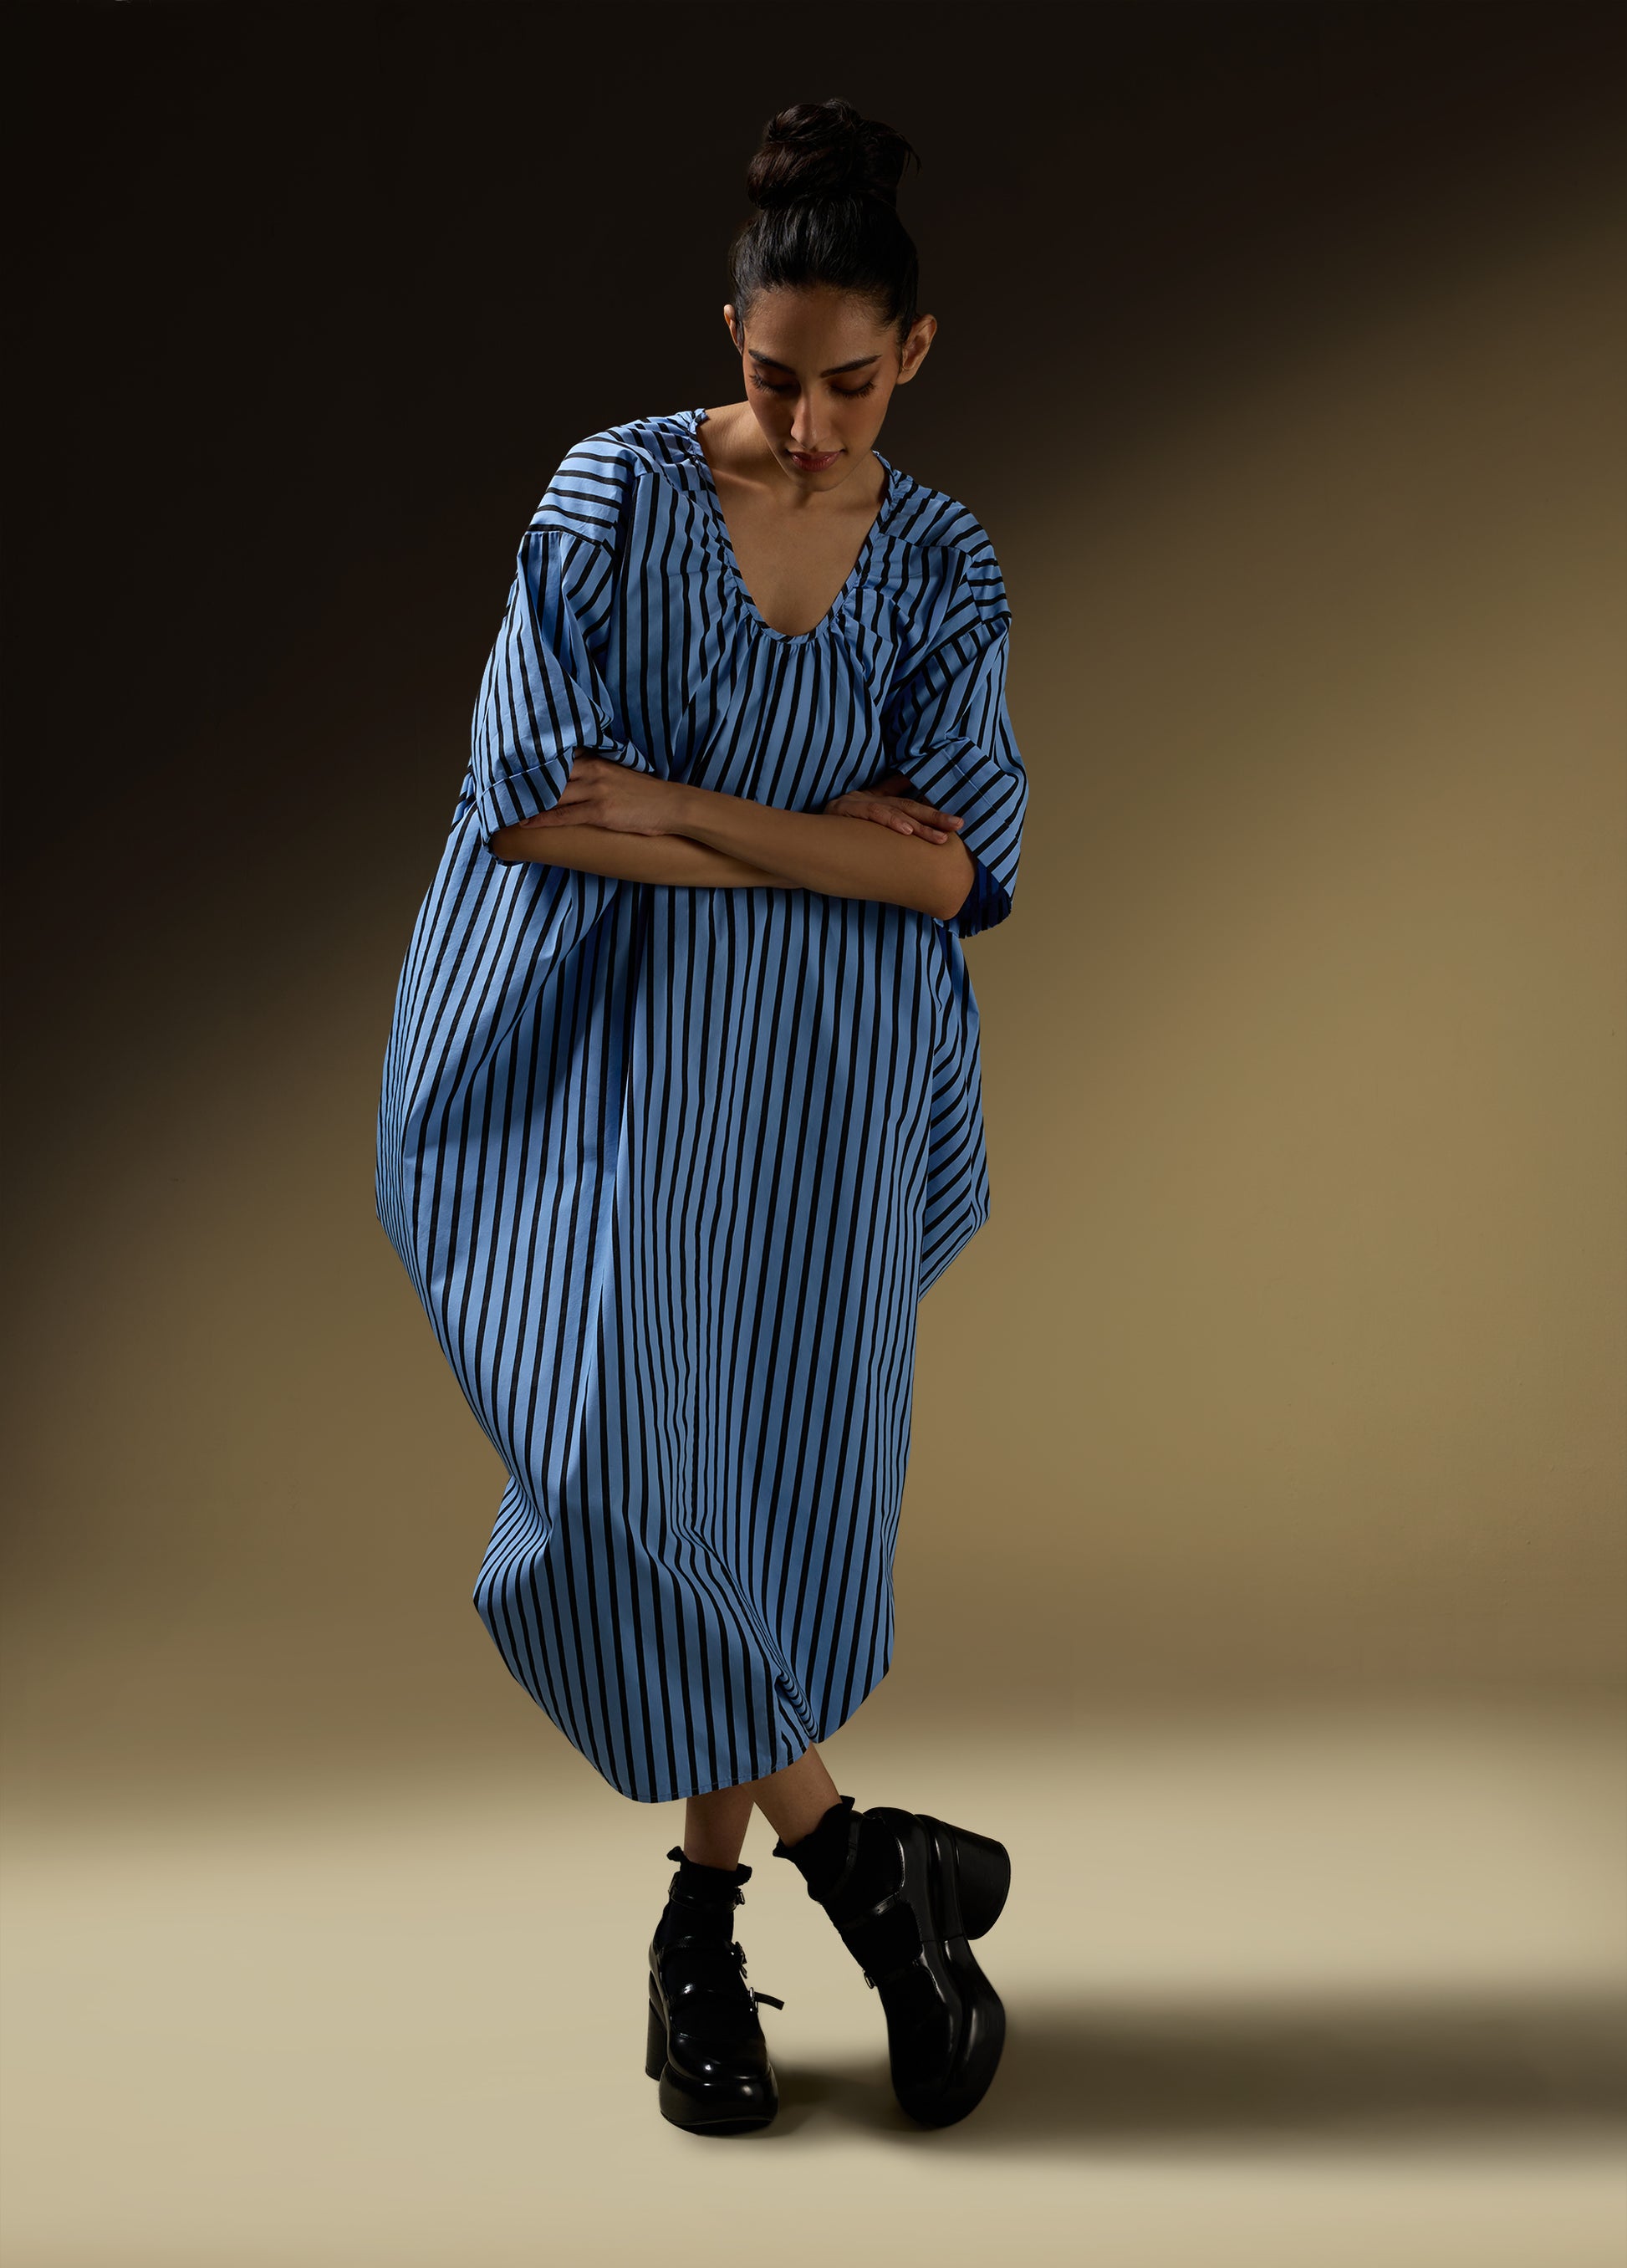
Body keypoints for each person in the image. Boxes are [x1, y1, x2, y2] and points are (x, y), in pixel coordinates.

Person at [375, 95, 1029, 2137]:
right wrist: (810, 841)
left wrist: (671, 803)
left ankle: (699, 1933)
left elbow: (956, 868)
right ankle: (867, 1866)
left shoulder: (941, 559)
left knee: (744, 1490)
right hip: (585, 1045)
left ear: (914, 352)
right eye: (774, 378)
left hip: (821, 1078)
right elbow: (527, 806)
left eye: (853, 385)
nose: (810, 427)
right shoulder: (609, 494)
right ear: (727, 335)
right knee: (608, 1477)